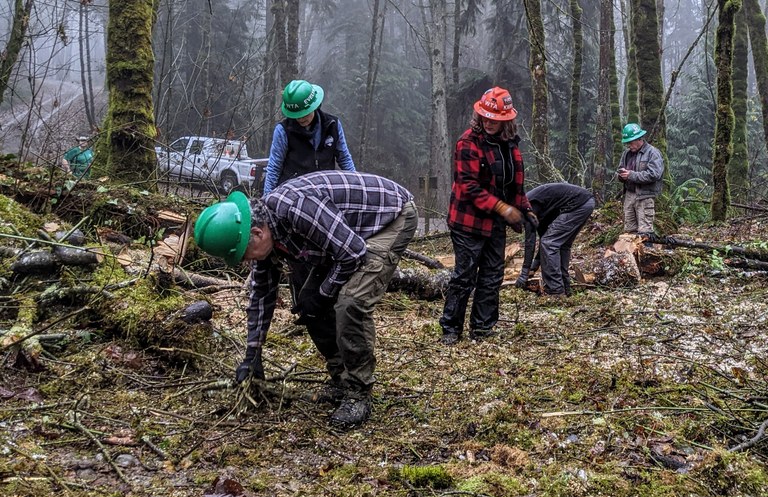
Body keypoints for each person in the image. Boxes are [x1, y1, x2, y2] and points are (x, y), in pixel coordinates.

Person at [193, 171, 417, 428]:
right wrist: (252, 354)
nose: (247, 261)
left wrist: (323, 295)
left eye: (245, 254)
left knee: (350, 302)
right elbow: (261, 296)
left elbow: (353, 253)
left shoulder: (296, 208)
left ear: (257, 233)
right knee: (307, 302)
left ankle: (358, 392)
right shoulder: (267, 234)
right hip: (347, 235)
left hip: (390, 216)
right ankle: (341, 379)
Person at [439, 87, 537, 345]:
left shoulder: (510, 145)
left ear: (507, 120)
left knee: (492, 275)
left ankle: (482, 328)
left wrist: (524, 207)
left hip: (494, 223)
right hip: (467, 221)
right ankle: (451, 328)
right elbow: (468, 186)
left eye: (496, 118)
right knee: (464, 275)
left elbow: (514, 184)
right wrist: (503, 208)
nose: (490, 122)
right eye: (486, 117)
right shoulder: (467, 143)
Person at [262, 80, 356, 197]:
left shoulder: (332, 125)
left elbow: (344, 159)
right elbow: (274, 167)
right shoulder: (283, 131)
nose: (301, 119)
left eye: (304, 114)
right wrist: (266, 198)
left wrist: (356, 187)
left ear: (315, 106)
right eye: (296, 115)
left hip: (325, 192)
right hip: (293, 194)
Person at [515, 183, 595, 297]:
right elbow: (543, 238)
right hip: (586, 202)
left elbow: (530, 242)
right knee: (560, 244)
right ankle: (565, 288)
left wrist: (524, 273)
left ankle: (555, 291)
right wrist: (534, 266)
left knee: (549, 243)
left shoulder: (525, 208)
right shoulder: (539, 212)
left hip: (578, 203)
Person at [617, 123, 664, 245]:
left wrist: (631, 175)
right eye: (627, 142)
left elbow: (654, 174)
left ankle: (648, 258)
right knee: (629, 231)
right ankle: (630, 261)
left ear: (639, 139)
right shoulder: (626, 154)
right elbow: (621, 168)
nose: (629, 145)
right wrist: (621, 175)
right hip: (629, 195)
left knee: (645, 232)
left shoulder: (653, 153)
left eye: (631, 142)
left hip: (645, 196)